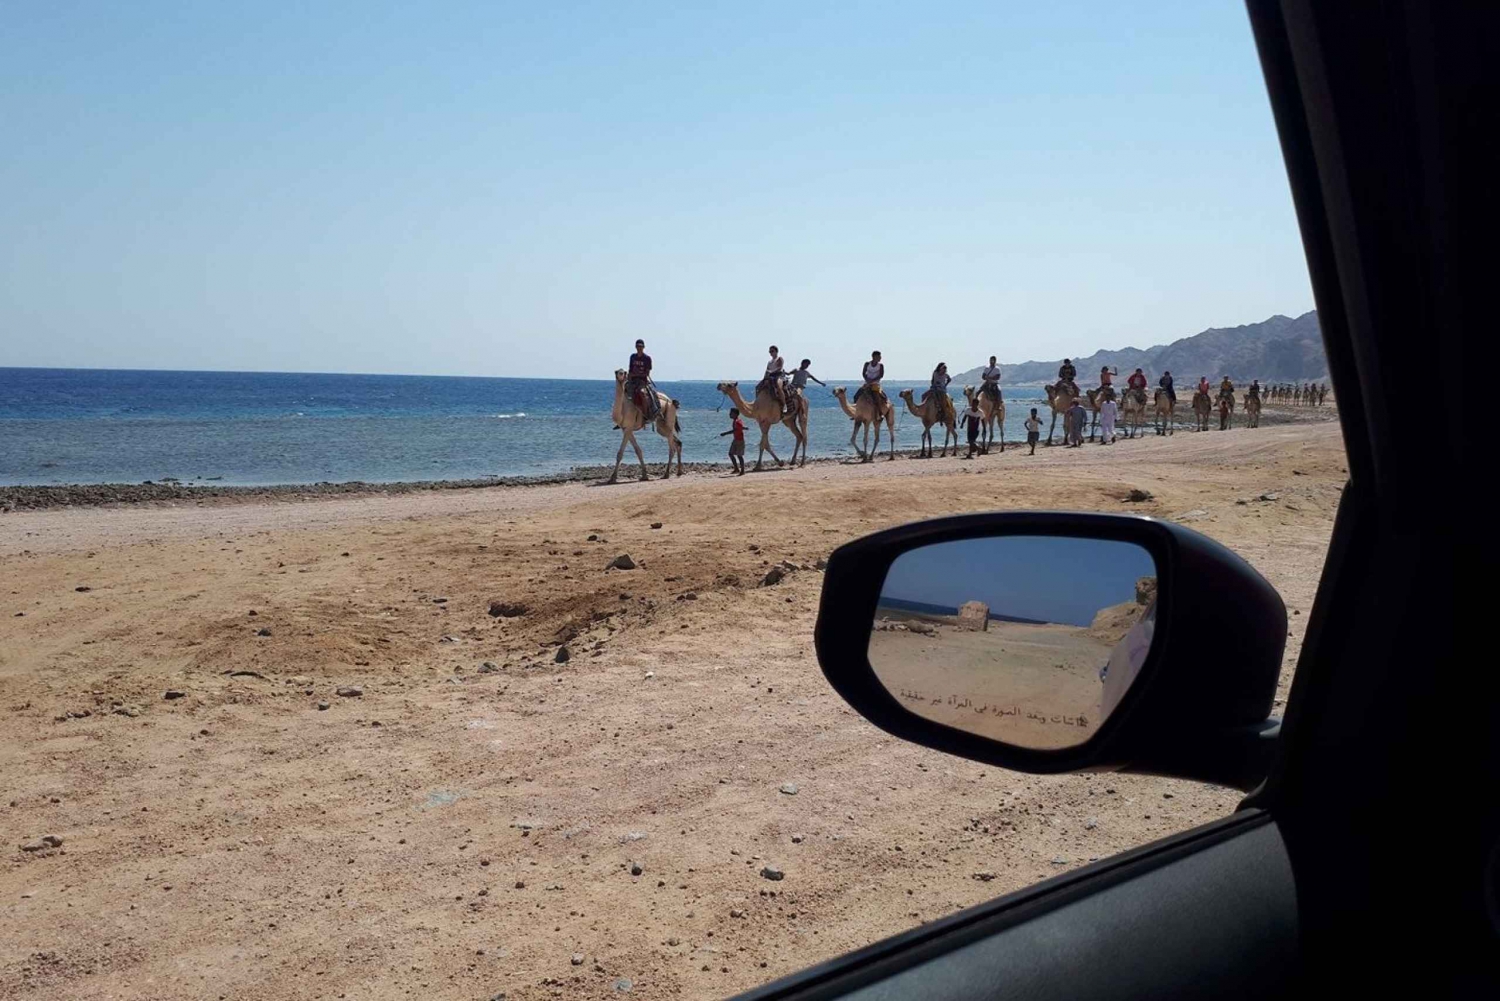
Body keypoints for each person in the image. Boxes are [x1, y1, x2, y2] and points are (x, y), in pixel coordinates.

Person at [626, 339, 656, 419]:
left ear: (643, 347)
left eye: (641, 346)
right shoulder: (632, 357)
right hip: (632, 380)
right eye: (638, 346)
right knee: (623, 393)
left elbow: (647, 373)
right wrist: (629, 377)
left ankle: (646, 414)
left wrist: (636, 374)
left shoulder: (647, 358)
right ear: (635, 347)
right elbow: (630, 369)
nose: (639, 348)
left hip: (642, 381)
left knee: (642, 393)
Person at [758, 345, 787, 413]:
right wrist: (764, 378)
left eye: (772, 351)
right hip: (770, 376)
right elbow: (767, 370)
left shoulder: (779, 359)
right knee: (759, 387)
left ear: (776, 351)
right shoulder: (770, 362)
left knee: (778, 386)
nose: (771, 353)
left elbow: (780, 368)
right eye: (770, 351)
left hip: (778, 375)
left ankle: (784, 404)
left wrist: (771, 372)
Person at [719, 407, 746, 475]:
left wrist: (725, 433)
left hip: (740, 440)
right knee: (731, 454)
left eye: (731, 413)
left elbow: (736, 430)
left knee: (739, 456)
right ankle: (736, 469)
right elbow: (740, 427)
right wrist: (744, 428)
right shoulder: (736, 421)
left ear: (736, 414)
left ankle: (742, 471)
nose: (730, 414)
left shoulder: (737, 421)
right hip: (735, 440)